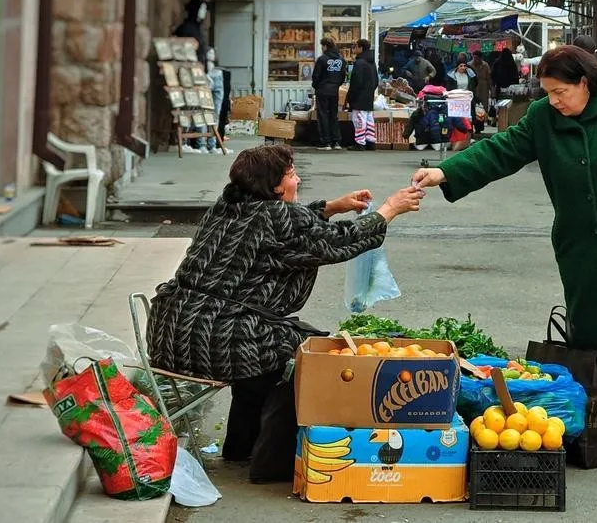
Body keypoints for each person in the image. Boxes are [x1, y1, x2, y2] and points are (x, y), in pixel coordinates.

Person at [411, 45, 597, 464]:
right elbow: (503, 150)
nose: (553, 101)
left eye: (560, 92)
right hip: (580, 248)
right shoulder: (544, 119)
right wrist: (447, 172)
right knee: (588, 339)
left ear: (584, 82)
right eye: (547, 93)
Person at [146, 145, 426, 483]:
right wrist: (388, 210)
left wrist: (331, 208)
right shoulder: (277, 218)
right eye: (291, 175)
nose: (298, 179)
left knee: (275, 341)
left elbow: (289, 230)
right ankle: (271, 463)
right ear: (275, 186)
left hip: (171, 330)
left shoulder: (229, 204)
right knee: (307, 355)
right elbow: (339, 241)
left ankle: (241, 446)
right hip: (214, 338)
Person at [312, 37, 347, 150]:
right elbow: (343, 77)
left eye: (322, 46)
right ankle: (336, 141)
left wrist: (316, 86)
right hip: (334, 91)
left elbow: (316, 76)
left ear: (326, 46)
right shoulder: (341, 60)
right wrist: (336, 85)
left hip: (322, 90)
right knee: (333, 116)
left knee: (323, 115)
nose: (322, 48)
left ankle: (325, 142)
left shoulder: (322, 59)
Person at [346, 39, 378, 151]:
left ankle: (360, 142)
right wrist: (370, 90)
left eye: (356, 46)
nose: (354, 48)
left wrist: (350, 96)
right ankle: (370, 141)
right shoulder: (372, 62)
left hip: (359, 96)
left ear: (361, 48)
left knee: (359, 119)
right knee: (369, 119)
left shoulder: (359, 62)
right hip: (369, 95)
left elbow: (356, 82)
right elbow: (376, 80)